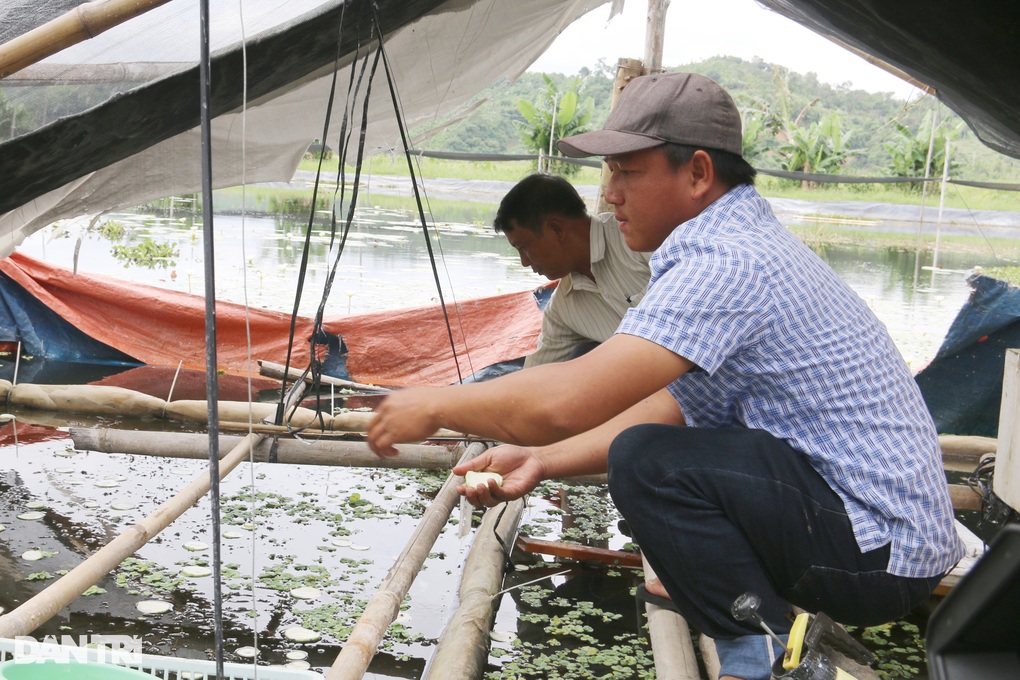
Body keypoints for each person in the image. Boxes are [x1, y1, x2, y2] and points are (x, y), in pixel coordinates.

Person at [367, 72, 964, 680]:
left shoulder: (726, 260)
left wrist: (437, 403)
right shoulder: (734, 240)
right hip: (885, 543)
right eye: (609, 173)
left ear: (698, 173)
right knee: (652, 450)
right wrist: (542, 461)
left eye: (627, 172)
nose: (610, 195)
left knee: (648, 461)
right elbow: (674, 407)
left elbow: (563, 403)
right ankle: (766, 632)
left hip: (877, 550)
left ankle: (757, 651)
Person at [493, 173, 650, 367]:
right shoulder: (562, 309)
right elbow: (537, 375)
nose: (524, 262)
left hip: (692, 377)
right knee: (583, 355)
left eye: (524, 247)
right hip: (650, 386)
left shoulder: (640, 241)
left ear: (556, 230)